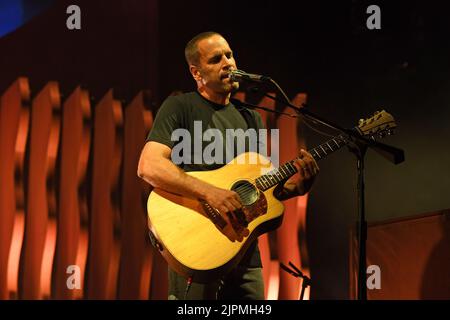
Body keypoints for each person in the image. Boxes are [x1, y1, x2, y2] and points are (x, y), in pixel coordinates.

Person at [137, 31, 319, 300]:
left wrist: (295, 188)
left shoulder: (251, 119)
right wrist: (211, 193)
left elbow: (258, 191)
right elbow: (148, 166)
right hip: (197, 245)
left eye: (229, 55)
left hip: (245, 251)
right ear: (196, 73)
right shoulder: (180, 106)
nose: (228, 63)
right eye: (215, 59)